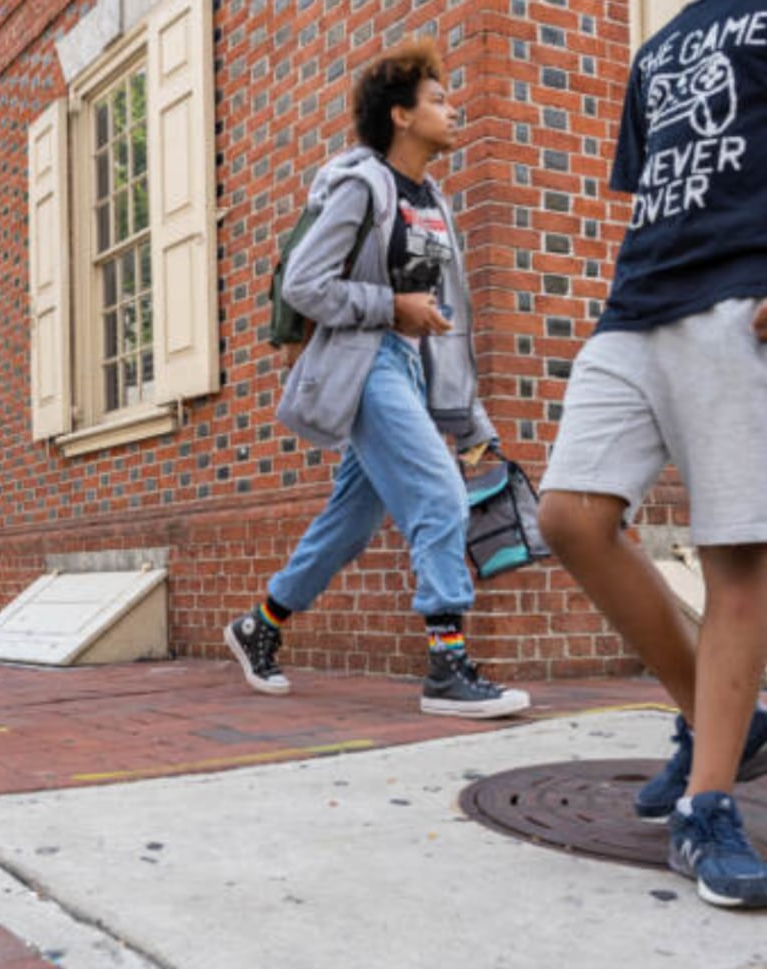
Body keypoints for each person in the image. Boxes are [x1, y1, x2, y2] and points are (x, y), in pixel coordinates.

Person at [536, 0, 767, 909]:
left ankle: (708, 807)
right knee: (569, 516)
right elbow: (662, 184)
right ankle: (731, 720)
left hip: (740, 298)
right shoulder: (660, 43)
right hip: (637, 303)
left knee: (738, 555)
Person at [223, 39, 529, 719]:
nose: (455, 110)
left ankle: (261, 623)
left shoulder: (437, 205)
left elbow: (444, 318)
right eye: (439, 99)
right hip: (364, 366)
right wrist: (390, 306)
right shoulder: (363, 187)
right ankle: (448, 665)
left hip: (413, 372)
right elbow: (305, 284)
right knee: (439, 496)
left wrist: (469, 419)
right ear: (400, 115)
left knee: (351, 523)